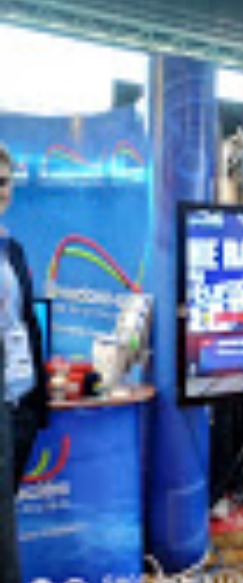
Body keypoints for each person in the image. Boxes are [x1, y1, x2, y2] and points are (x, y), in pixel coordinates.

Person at [1, 143, 49, 583]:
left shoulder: (11, 248)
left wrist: (38, 403)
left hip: (21, 402)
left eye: (3, 182)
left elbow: (26, 322)